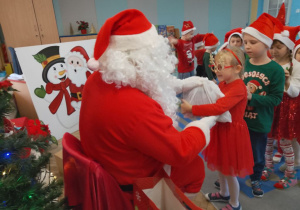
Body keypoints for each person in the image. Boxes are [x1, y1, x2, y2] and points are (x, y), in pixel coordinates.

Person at [80, 9, 217, 203]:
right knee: (194, 165)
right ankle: (172, 205)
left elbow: (148, 82)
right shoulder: (134, 107)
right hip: (132, 185)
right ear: (144, 57)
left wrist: (184, 84)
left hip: (108, 164)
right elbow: (180, 151)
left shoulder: (97, 80)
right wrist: (205, 123)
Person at [181, 47, 253, 210]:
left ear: (237, 68)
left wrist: (193, 109)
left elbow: (219, 107)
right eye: (215, 66)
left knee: (229, 172)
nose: (216, 70)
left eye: (221, 66)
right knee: (221, 166)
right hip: (221, 129)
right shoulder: (225, 83)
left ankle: (235, 204)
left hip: (231, 133)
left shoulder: (238, 87)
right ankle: (223, 192)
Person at [242, 13, 285, 197]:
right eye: (245, 42)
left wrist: (252, 97)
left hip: (259, 122)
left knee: (257, 155)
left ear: (266, 43)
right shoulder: (244, 64)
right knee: (238, 150)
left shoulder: (275, 70)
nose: (247, 46)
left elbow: (276, 99)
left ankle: (256, 178)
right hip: (239, 120)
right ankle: (233, 176)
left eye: (253, 42)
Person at [265, 25, 300, 189]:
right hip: (272, 106)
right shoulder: (270, 63)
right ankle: (268, 167)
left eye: (279, 47)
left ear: (289, 48)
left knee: (285, 142)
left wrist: (286, 81)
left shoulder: (296, 66)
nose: (274, 50)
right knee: (268, 140)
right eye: (272, 46)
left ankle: (291, 175)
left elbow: (294, 93)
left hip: (287, 109)